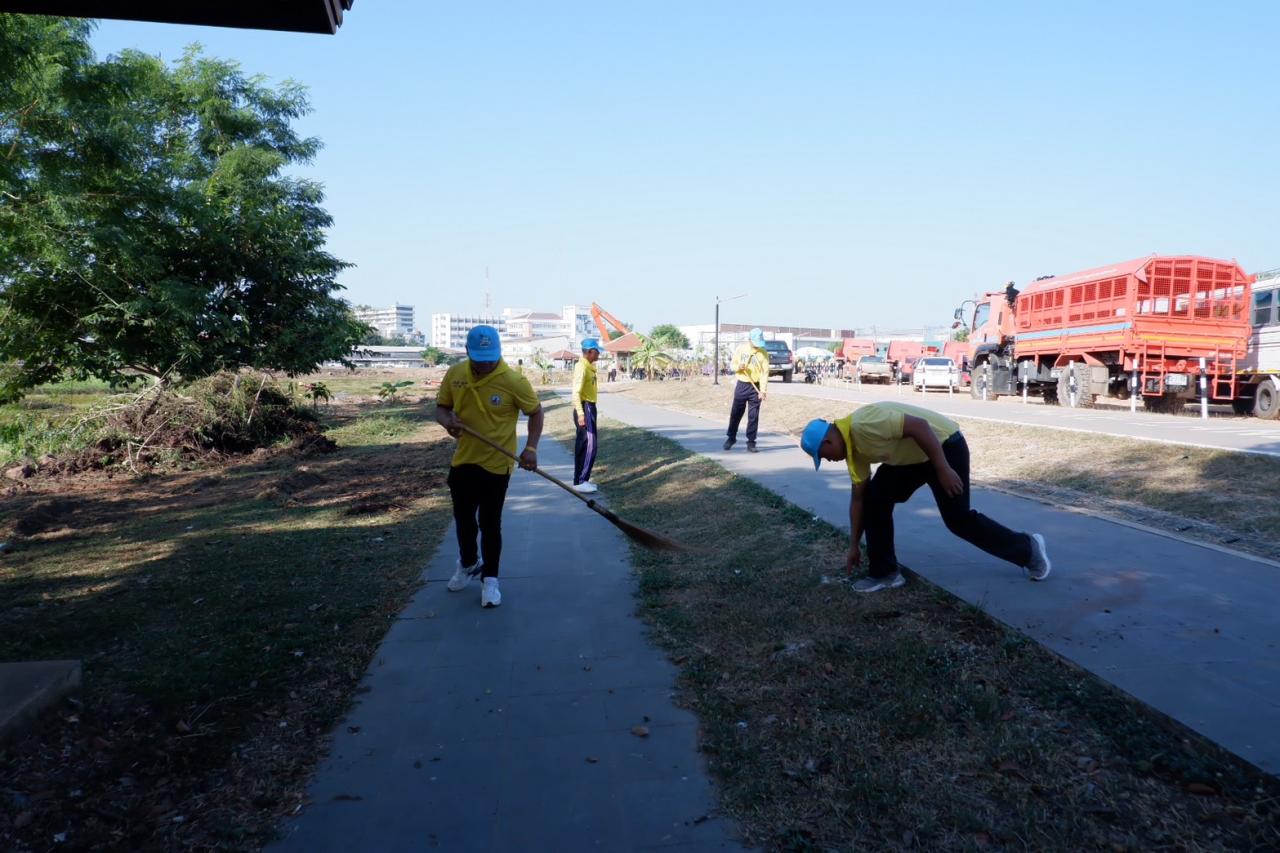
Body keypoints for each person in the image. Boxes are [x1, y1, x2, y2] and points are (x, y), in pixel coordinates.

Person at [799, 401, 1051, 593]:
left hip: (943, 446)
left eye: (824, 456)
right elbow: (858, 501)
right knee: (874, 499)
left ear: (828, 440)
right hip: (912, 459)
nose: (829, 461)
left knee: (958, 520)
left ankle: (1028, 549)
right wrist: (854, 546)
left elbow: (920, 426)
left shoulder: (863, 424)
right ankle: (885, 572)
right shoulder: (855, 454)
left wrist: (942, 468)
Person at [435, 325, 544, 608]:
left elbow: (535, 412)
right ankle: (469, 563)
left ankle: (490, 580)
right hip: (464, 460)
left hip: (497, 463)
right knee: (464, 520)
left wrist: (530, 448)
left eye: (490, 356)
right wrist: (448, 422)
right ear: (467, 352)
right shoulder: (455, 374)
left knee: (490, 523)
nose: (485, 362)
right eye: (479, 357)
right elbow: (442, 407)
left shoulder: (513, 381)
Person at [723, 327, 769, 453]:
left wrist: (763, 391)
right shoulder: (741, 349)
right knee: (736, 413)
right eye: (755, 344)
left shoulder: (763, 353)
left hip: (756, 387)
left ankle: (751, 442)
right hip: (742, 385)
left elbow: (764, 373)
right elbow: (732, 366)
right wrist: (739, 367)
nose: (757, 347)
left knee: (753, 416)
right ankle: (731, 438)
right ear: (750, 340)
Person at [572, 337, 601, 493]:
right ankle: (581, 481)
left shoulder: (588, 367)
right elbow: (575, 393)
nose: (599, 355)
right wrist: (581, 414)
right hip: (585, 408)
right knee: (590, 445)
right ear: (590, 352)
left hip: (590, 407)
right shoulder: (581, 368)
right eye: (597, 352)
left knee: (584, 445)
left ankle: (581, 480)